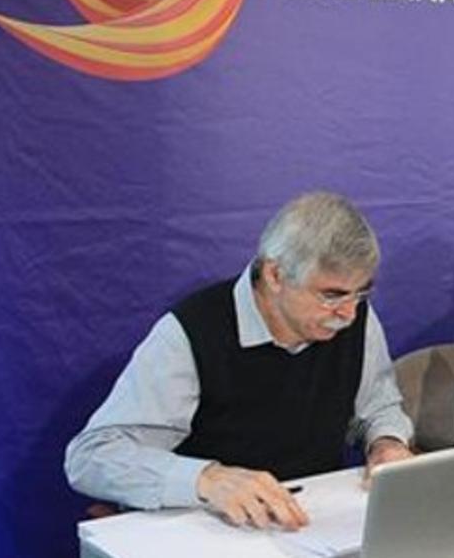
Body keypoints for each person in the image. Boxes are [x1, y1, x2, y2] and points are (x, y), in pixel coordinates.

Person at [65, 192, 414, 529]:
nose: (348, 314)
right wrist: (207, 479)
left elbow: (378, 409)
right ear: (275, 275)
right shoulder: (194, 331)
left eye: (361, 292)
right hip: (205, 525)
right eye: (330, 295)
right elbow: (92, 457)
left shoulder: (356, 318)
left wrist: (387, 444)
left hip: (312, 522)